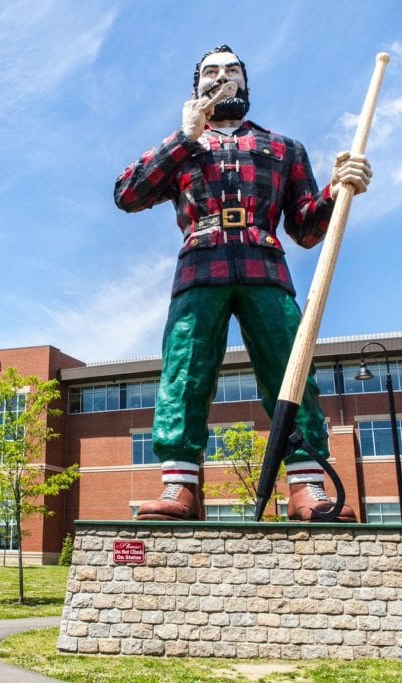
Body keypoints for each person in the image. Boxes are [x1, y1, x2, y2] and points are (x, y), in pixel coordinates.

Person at [114, 45, 372, 522]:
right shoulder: (184, 148)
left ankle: (306, 487)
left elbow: (306, 229)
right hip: (199, 265)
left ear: (246, 84)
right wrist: (182, 138)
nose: (223, 77)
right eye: (211, 72)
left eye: (232, 70)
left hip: (265, 265)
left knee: (289, 370)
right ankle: (179, 487)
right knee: (184, 372)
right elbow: (127, 194)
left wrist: (337, 190)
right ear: (196, 90)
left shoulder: (283, 148)